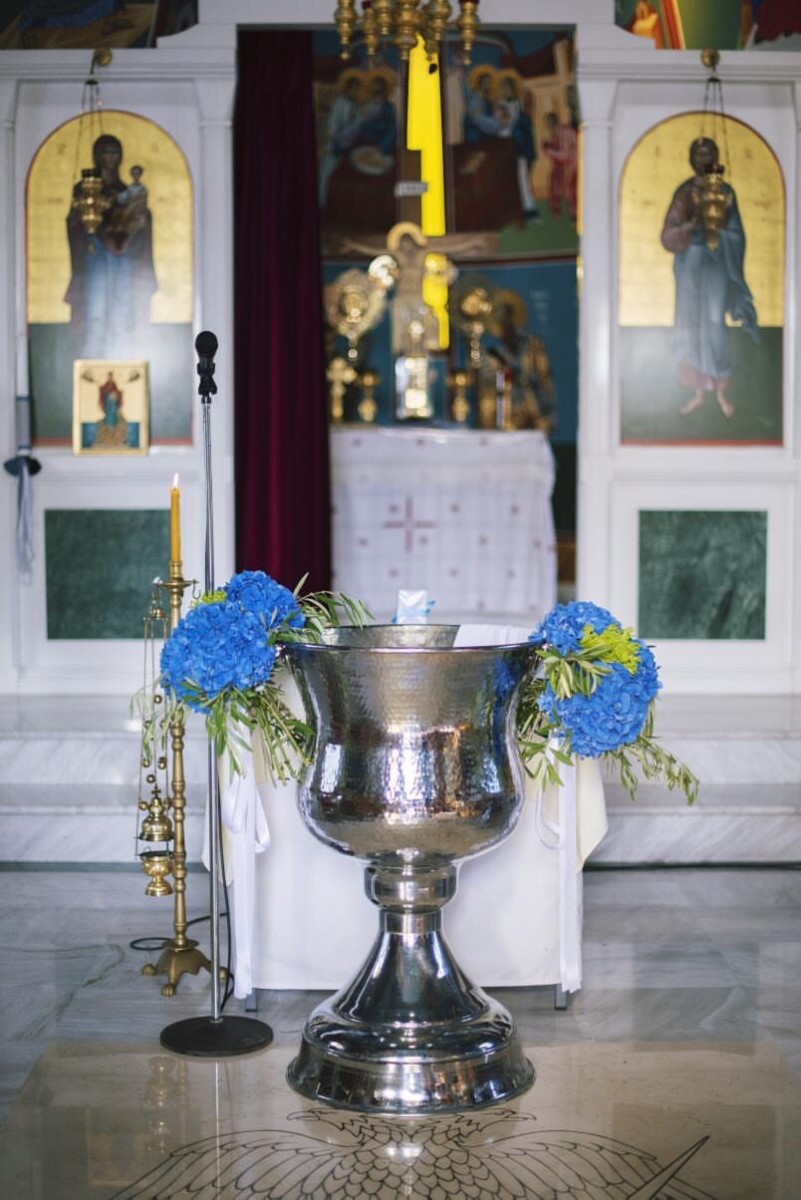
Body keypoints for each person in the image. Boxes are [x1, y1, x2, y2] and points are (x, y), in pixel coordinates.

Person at [660, 136, 759, 418]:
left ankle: (722, 392)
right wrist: (691, 225)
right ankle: (698, 393)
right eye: (698, 155)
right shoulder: (684, 193)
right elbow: (667, 235)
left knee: (715, 322)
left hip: (716, 261)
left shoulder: (725, 191)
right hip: (691, 261)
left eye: (708, 154)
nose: (704, 160)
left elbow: (737, 233)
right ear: (692, 160)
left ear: (715, 158)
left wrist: (720, 230)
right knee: (691, 323)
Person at [65, 133, 157, 357]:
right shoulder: (85, 189)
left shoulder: (127, 191)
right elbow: (76, 222)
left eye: (114, 152)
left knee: (122, 312)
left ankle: (122, 364)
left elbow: (136, 222)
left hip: (122, 258)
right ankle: (91, 366)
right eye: (105, 152)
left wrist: (138, 218)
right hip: (95, 257)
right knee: (95, 313)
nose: (109, 157)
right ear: (97, 155)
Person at [495, 70, 540, 221]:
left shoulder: (518, 103)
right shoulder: (500, 105)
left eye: (509, 87)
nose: (506, 90)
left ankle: (529, 209)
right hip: (506, 144)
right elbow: (503, 124)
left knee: (523, 177)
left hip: (519, 145)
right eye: (504, 87)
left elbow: (524, 123)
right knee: (509, 179)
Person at [318, 69, 365, 208]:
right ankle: (321, 203)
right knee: (326, 174)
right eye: (353, 89)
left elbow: (359, 125)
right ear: (348, 88)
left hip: (350, 145)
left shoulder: (358, 106)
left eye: (358, 89)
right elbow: (332, 124)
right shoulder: (339, 103)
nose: (355, 92)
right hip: (335, 143)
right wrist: (338, 137)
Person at [542, 111, 578, 220]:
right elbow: (559, 148)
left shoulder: (565, 132)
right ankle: (556, 209)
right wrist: (549, 146)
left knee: (570, 188)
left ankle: (574, 213)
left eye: (548, 124)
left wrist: (548, 151)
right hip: (565, 163)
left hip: (573, 164)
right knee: (554, 180)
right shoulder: (558, 132)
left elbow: (565, 155)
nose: (547, 127)